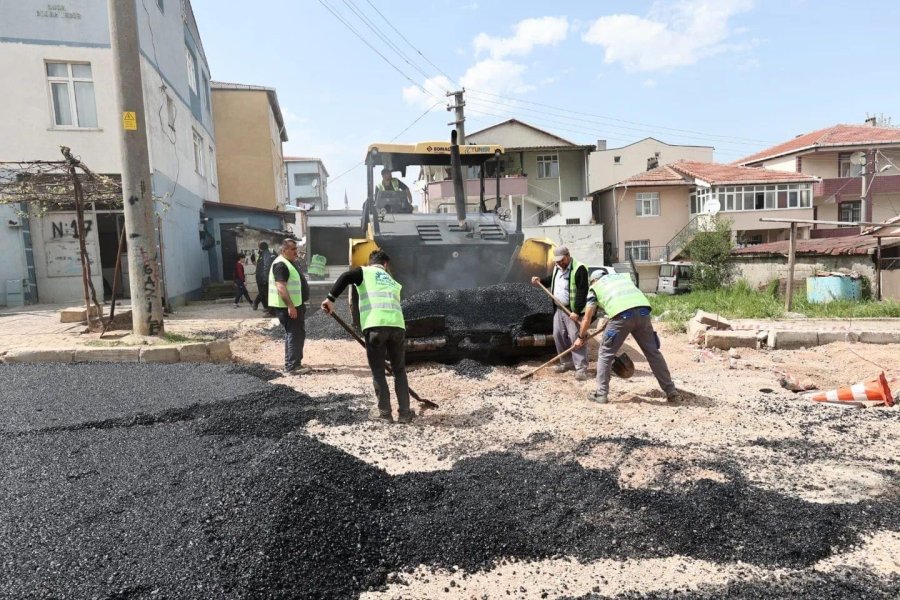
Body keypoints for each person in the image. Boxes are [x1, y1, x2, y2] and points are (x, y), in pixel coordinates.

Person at [321, 249, 413, 424]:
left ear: (371, 262)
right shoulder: (393, 282)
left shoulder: (364, 271)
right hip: (397, 327)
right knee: (399, 371)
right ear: (385, 265)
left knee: (378, 371)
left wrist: (330, 299)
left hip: (375, 327)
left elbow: (345, 277)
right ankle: (405, 414)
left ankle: (385, 414)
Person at [574, 270, 680, 404]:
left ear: (593, 280)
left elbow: (587, 318)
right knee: (653, 353)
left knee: (605, 353)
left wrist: (580, 337)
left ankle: (601, 394)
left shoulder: (595, 287)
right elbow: (626, 302)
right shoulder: (622, 279)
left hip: (622, 317)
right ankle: (671, 392)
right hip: (643, 313)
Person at [531, 245, 590, 380]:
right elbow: (552, 279)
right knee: (558, 335)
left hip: (572, 311)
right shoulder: (558, 268)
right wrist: (540, 280)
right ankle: (566, 363)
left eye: (561, 260)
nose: (559, 263)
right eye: (557, 261)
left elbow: (582, 291)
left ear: (568, 256)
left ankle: (581, 368)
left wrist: (576, 311)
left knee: (577, 338)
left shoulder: (579, 269)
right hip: (558, 308)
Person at [268, 239, 310, 375]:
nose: (295, 252)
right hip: (288, 307)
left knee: (294, 333)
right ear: (283, 250)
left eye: (295, 249)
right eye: (292, 249)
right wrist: (291, 306)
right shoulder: (280, 265)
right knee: (294, 334)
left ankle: (293, 362)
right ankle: (292, 366)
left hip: (295, 305)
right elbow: (281, 287)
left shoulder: (288, 263)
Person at [253, 241, 273, 313]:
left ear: (260, 247)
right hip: (260, 277)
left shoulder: (267, 254)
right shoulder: (260, 253)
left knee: (264, 293)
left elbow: (266, 267)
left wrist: (265, 278)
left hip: (263, 277)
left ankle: (258, 304)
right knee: (263, 292)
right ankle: (265, 306)